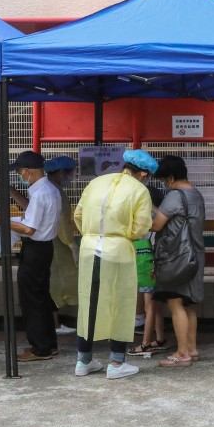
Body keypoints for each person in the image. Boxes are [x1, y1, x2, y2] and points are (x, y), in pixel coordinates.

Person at [73, 153, 153, 379]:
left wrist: (91, 234)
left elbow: (78, 214)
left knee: (89, 303)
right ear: (143, 174)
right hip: (118, 249)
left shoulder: (96, 182)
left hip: (89, 247)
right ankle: (116, 363)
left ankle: (83, 360)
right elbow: (140, 227)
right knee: (121, 303)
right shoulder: (139, 191)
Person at [0, 151, 62, 362]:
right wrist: (12, 192)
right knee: (40, 297)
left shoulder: (41, 193)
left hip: (35, 249)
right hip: (44, 249)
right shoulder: (46, 189)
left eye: (19, 172)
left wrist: (1, 220)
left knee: (31, 299)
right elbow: (31, 209)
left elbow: (29, 229)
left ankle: (39, 348)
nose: (20, 175)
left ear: (28, 171)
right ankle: (49, 344)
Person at [151, 155, 206, 368]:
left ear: (172, 177)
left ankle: (182, 353)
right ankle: (192, 349)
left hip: (177, 257)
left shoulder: (175, 196)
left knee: (175, 303)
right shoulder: (196, 194)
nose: (165, 184)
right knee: (188, 303)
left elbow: (157, 225)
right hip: (195, 255)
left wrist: (150, 211)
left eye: (165, 180)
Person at [127, 150, 168, 358]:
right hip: (155, 259)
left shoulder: (148, 219)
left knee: (150, 304)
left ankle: (145, 344)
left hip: (145, 259)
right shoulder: (155, 215)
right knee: (156, 304)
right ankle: (159, 338)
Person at [42, 156, 80, 336]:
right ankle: (55, 324)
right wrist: (72, 244)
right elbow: (63, 222)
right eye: (70, 173)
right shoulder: (55, 191)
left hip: (48, 242)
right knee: (55, 283)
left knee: (52, 283)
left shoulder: (46, 188)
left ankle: (55, 323)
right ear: (61, 172)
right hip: (57, 244)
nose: (71, 177)